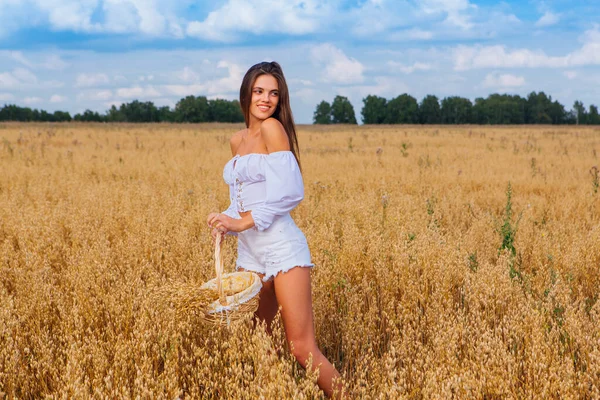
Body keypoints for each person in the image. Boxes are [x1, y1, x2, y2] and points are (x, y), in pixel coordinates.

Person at [206, 61, 342, 397]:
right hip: (250, 252)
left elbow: (290, 192)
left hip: (282, 249)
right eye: (259, 91)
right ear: (246, 94)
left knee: (301, 348)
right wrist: (225, 221)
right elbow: (243, 200)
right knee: (261, 343)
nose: (266, 99)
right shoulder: (237, 140)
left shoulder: (273, 130)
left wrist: (241, 221)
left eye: (274, 94)